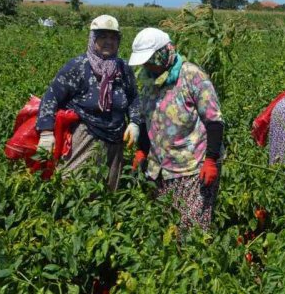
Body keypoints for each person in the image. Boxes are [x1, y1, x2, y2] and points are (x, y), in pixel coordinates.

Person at [127, 28, 225, 232]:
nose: (147, 65)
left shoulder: (192, 76)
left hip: (193, 167)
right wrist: (142, 150)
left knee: (191, 231)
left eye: (150, 60)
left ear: (163, 53)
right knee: (166, 229)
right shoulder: (148, 80)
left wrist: (211, 159)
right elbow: (148, 120)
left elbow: (214, 121)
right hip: (160, 169)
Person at [35, 15, 142, 191]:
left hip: (115, 139)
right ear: (93, 39)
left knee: (107, 191)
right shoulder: (78, 66)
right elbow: (51, 96)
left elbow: (133, 97)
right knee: (72, 185)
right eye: (103, 37)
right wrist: (46, 132)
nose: (109, 42)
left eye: (113, 37)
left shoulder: (123, 68)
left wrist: (135, 122)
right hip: (85, 134)